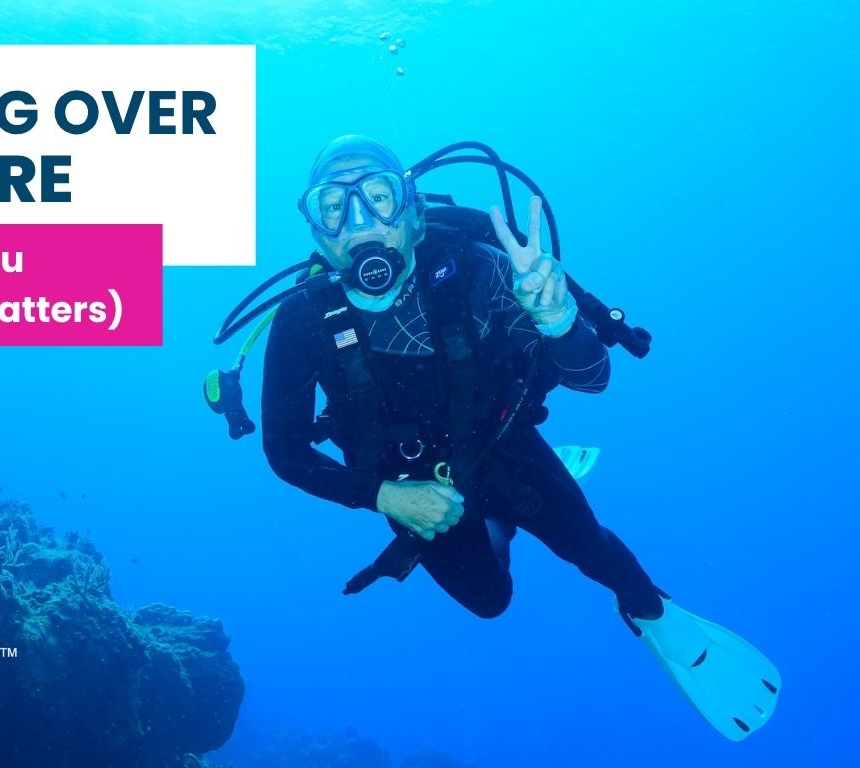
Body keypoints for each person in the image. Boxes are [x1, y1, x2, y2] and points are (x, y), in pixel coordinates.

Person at [259, 135, 779, 741]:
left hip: (502, 443)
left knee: (590, 546)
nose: (358, 222)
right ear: (317, 232)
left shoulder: (481, 269)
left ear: (413, 213)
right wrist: (386, 497)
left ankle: (651, 611)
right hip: (410, 487)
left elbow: (594, 380)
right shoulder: (302, 321)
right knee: (489, 601)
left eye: (379, 197)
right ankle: (497, 523)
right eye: (332, 207)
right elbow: (285, 452)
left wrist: (559, 321)